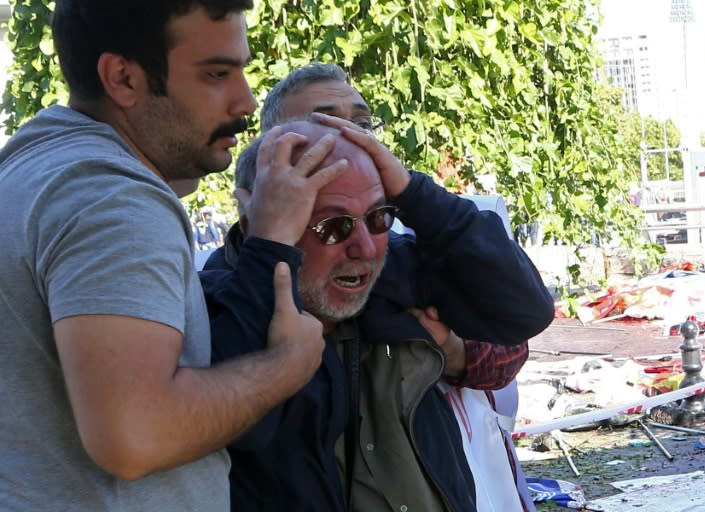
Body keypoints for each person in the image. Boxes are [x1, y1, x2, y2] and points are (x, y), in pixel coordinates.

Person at [0, 2, 348, 510]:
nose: (246, 101)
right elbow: (134, 435)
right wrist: (287, 365)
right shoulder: (114, 198)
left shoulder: (34, 163)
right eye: (217, 73)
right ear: (122, 78)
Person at [202, 118, 552, 511]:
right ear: (261, 223)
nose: (365, 248)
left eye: (378, 217)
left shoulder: (392, 277)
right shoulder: (211, 313)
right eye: (333, 227)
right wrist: (268, 257)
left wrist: (413, 191)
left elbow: (525, 311)